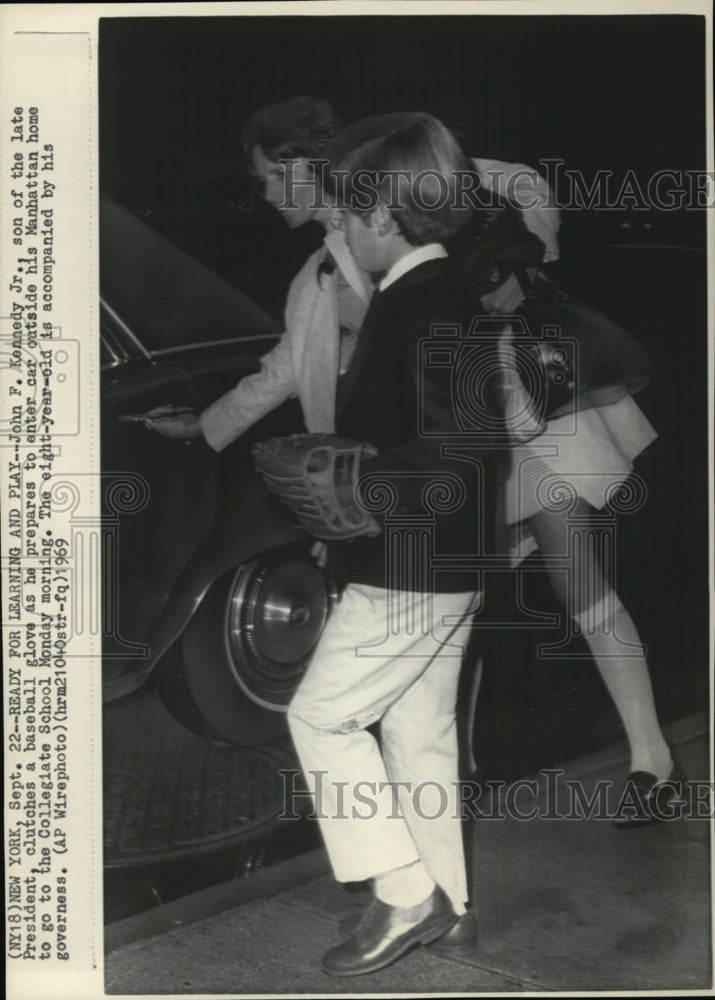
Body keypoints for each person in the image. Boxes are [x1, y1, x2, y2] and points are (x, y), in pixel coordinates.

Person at [282, 111, 505, 977]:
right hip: (443, 563)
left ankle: (405, 891)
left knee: (319, 714)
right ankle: (452, 910)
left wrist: (354, 484)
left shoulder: (424, 306)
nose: (332, 227)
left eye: (342, 214)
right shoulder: (430, 295)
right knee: (418, 734)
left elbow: (459, 449)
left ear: (383, 216)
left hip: (412, 562)